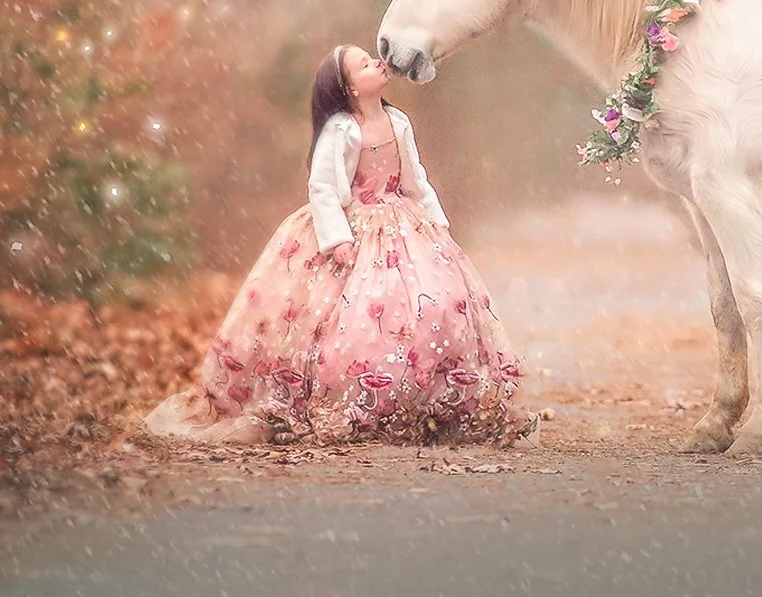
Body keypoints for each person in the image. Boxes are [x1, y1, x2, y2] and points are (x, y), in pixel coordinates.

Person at [144, 45, 536, 446]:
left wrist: (436, 221)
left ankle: (428, 397)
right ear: (349, 87)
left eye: (372, 58)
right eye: (364, 65)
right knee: (355, 317)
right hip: (355, 227)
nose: (377, 63)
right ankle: (361, 399)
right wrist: (337, 239)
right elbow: (324, 189)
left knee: (431, 303)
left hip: (404, 224)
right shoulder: (341, 130)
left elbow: (415, 178)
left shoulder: (398, 121)